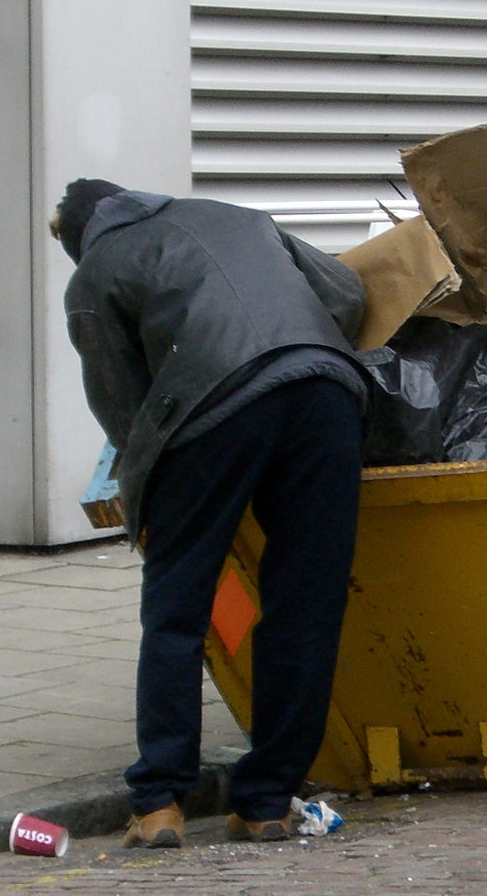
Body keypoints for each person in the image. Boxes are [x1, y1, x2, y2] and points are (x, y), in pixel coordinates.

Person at [52, 179, 369, 847]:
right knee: (305, 603)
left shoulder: (94, 278)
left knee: (178, 603)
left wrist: (145, 513)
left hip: (215, 409)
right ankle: (267, 802)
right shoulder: (238, 215)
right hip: (327, 391)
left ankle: (160, 802)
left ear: (71, 235)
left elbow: (128, 414)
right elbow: (345, 294)